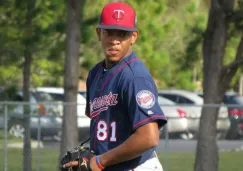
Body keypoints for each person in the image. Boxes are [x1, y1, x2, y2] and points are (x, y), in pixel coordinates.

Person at [64, 2, 167, 171]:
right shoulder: (95, 74)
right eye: (108, 32)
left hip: (136, 167)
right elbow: (105, 127)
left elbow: (149, 137)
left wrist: (100, 161)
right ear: (99, 33)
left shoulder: (135, 77)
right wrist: (91, 156)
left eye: (122, 34)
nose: (114, 40)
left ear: (133, 37)